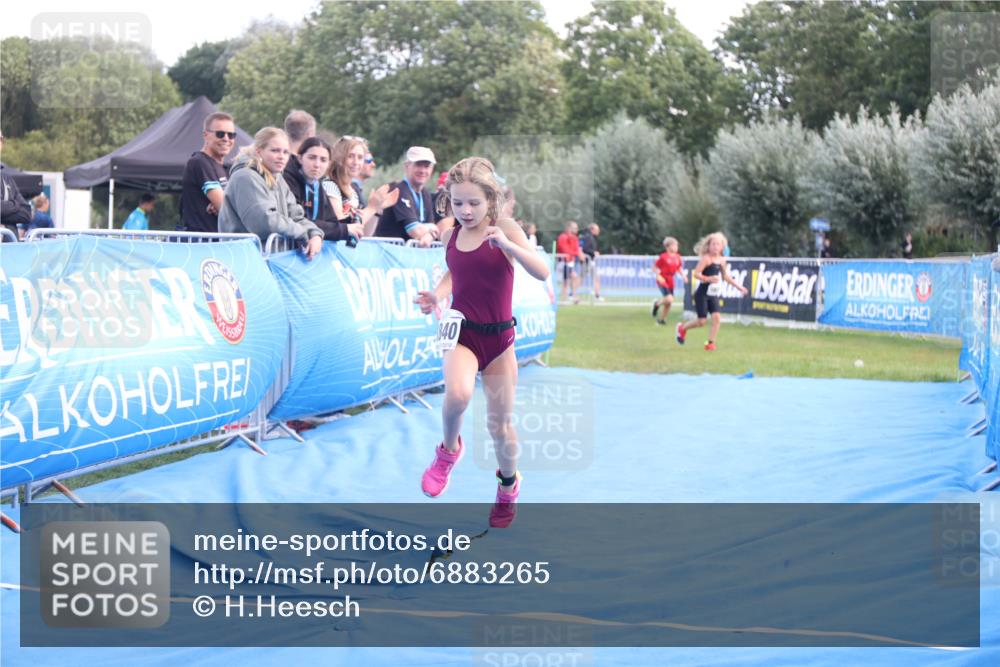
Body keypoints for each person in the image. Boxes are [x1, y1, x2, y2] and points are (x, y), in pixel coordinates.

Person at [414, 157, 550, 528]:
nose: (466, 211)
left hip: (500, 340)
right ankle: (448, 452)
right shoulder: (450, 235)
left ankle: (508, 485)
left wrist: (509, 246)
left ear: (490, 199)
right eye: (458, 203)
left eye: (474, 203)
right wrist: (437, 294)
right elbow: (455, 272)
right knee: (457, 395)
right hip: (463, 333)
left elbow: (541, 271)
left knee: (499, 427)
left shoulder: (503, 227)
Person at [218, 127, 324, 259]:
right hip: (243, 259)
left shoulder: (278, 178)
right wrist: (304, 233)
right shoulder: (245, 177)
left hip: (270, 258)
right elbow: (265, 222)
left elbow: (296, 216)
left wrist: (314, 234)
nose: (281, 157)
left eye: (285, 152)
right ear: (259, 151)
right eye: (275, 151)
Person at [676, 231, 748, 351]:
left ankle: (710, 343)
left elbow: (725, 277)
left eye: (718, 244)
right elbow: (696, 274)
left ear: (722, 247)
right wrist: (708, 278)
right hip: (702, 294)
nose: (715, 247)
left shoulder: (722, 260)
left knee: (717, 318)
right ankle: (682, 328)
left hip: (713, 294)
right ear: (708, 246)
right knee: (701, 321)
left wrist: (739, 287)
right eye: (713, 244)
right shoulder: (706, 259)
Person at [325, 136, 398, 237]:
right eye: (350, 156)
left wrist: (377, 209)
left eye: (360, 157)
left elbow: (365, 233)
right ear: (340, 158)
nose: (356, 162)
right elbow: (342, 226)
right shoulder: (330, 185)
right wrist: (371, 208)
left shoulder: (353, 191)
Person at [181, 112, 236, 233]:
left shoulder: (225, 168)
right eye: (220, 134)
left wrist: (227, 203)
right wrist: (225, 204)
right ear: (206, 135)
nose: (226, 139)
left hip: (220, 241)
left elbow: (231, 206)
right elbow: (227, 210)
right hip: (203, 241)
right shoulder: (199, 162)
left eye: (231, 135)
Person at [374, 146, 440, 246]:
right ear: (407, 165)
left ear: (432, 169)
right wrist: (431, 228)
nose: (422, 170)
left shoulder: (425, 193)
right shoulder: (398, 190)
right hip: (388, 252)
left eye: (426, 166)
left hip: (404, 252)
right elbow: (415, 231)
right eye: (418, 165)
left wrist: (429, 235)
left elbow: (433, 231)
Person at [1, 134, 30, 242]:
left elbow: (26, 213)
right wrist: (15, 204)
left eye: (1, 139)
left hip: (10, 249)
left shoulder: (7, 178)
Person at [652, 236, 685, 326]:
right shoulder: (663, 257)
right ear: (668, 247)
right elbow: (654, 267)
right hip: (662, 279)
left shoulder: (678, 257)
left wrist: (683, 276)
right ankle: (657, 304)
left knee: (669, 302)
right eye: (674, 245)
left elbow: (679, 267)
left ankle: (661, 320)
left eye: (677, 245)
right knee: (669, 298)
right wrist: (658, 274)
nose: (676, 247)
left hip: (671, 280)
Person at [556, 221, 584, 303]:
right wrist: (576, 253)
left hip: (570, 263)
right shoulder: (563, 237)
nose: (577, 229)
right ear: (569, 228)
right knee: (566, 281)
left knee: (574, 278)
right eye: (575, 228)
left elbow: (575, 249)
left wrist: (576, 253)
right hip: (563, 262)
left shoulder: (574, 238)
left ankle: (572, 296)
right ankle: (565, 299)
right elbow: (565, 250)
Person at [579, 222, 603, 300]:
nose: (598, 231)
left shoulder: (591, 238)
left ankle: (597, 295)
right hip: (587, 261)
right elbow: (584, 249)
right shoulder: (587, 237)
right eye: (597, 229)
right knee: (581, 278)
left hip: (591, 261)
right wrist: (594, 252)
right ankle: (572, 293)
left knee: (596, 278)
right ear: (592, 229)